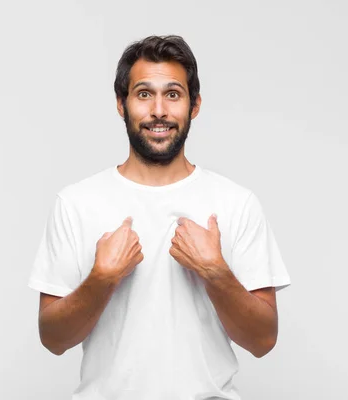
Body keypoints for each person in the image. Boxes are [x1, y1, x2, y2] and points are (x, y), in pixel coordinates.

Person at [28, 35, 291, 400]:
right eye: (143, 94)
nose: (159, 111)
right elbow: (53, 339)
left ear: (194, 105)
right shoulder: (76, 203)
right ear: (121, 104)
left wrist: (215, 271)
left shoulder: (236, 203)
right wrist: (102, 277)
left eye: (172, 94)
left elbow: (263, 340)